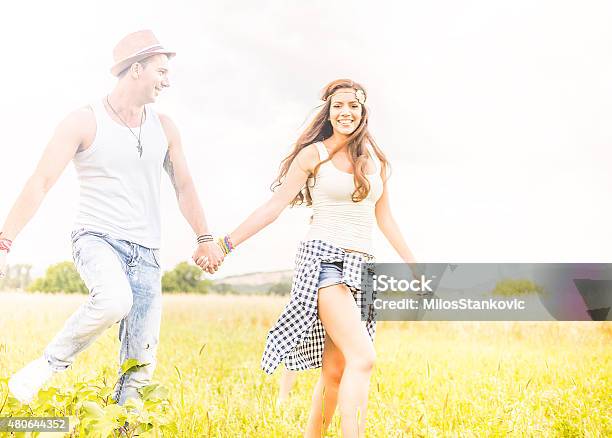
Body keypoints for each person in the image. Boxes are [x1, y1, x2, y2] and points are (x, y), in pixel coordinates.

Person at [1, 30, 224, 405]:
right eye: (162, 71)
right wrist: (5, 240)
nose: (168, 81)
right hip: (96, 238)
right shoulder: (84, 121)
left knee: (139, 368)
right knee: (112, 300)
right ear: (136, 69)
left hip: (148, 254)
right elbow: (40, 182)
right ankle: (48, 365)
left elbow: (184, 186)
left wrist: (204, 237)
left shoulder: (165, 127)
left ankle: (124, 429)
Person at [207, 79, 416, 437]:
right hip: (324, 262)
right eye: (338, 106)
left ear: (364, 111)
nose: (345, 112)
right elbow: (274, 207)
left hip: (363, 267)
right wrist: (226, 244)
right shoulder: (313, 156)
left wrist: (414, 265)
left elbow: (385, 218)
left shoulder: (376, 162)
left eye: (353, 105)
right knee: (363, 359)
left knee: (336, 370)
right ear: (329, 112)